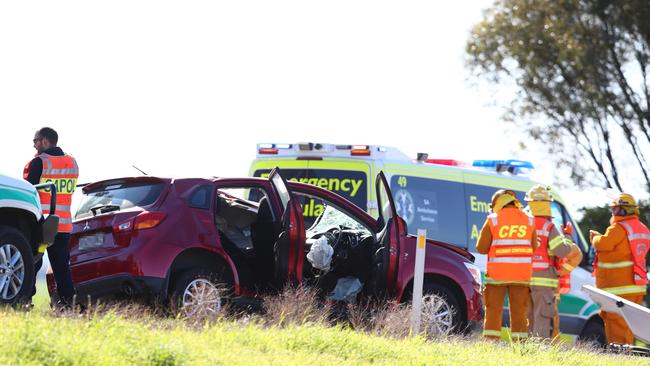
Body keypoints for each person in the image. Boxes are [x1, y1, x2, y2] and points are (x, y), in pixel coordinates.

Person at [23, 127, 79, 307]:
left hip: (42, 224)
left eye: (36, 141)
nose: (34, 145)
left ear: (45, 141)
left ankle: (25, 301)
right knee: (62, 267)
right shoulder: (72, 163)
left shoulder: (39, 162)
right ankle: (69, 303)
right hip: (63, 225)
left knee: (32, 263)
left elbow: (28, 193)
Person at [476, 189, 537, 341]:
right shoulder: (529, 220)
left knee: (494, 310)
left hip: (497, 275)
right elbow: (533, 246)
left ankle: (491, 343)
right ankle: (520, 345)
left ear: (497, 203)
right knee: (519, 312)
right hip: (521, 276)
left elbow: (481, 248)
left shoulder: (493, 219)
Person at [590, 192, 649, 345]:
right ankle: (627, 353)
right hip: (636, 286)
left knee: (616, 322)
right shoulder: (642, 229)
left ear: (621, 210)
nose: (614, 213)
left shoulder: (618, 228)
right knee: (630, 323)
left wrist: (595, 237)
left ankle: (619, 356)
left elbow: (604, 244)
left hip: (618, 287)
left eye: (615, 209)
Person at [523, 185, 582, 339]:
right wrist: (568, 237)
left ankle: (525, 352)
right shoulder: (549, 227)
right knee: (542, 318)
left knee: (527, 317)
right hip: (543, 282)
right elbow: (562, 251)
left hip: (523, 279)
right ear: (546, 204)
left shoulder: (523, 225)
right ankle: (540, 354)